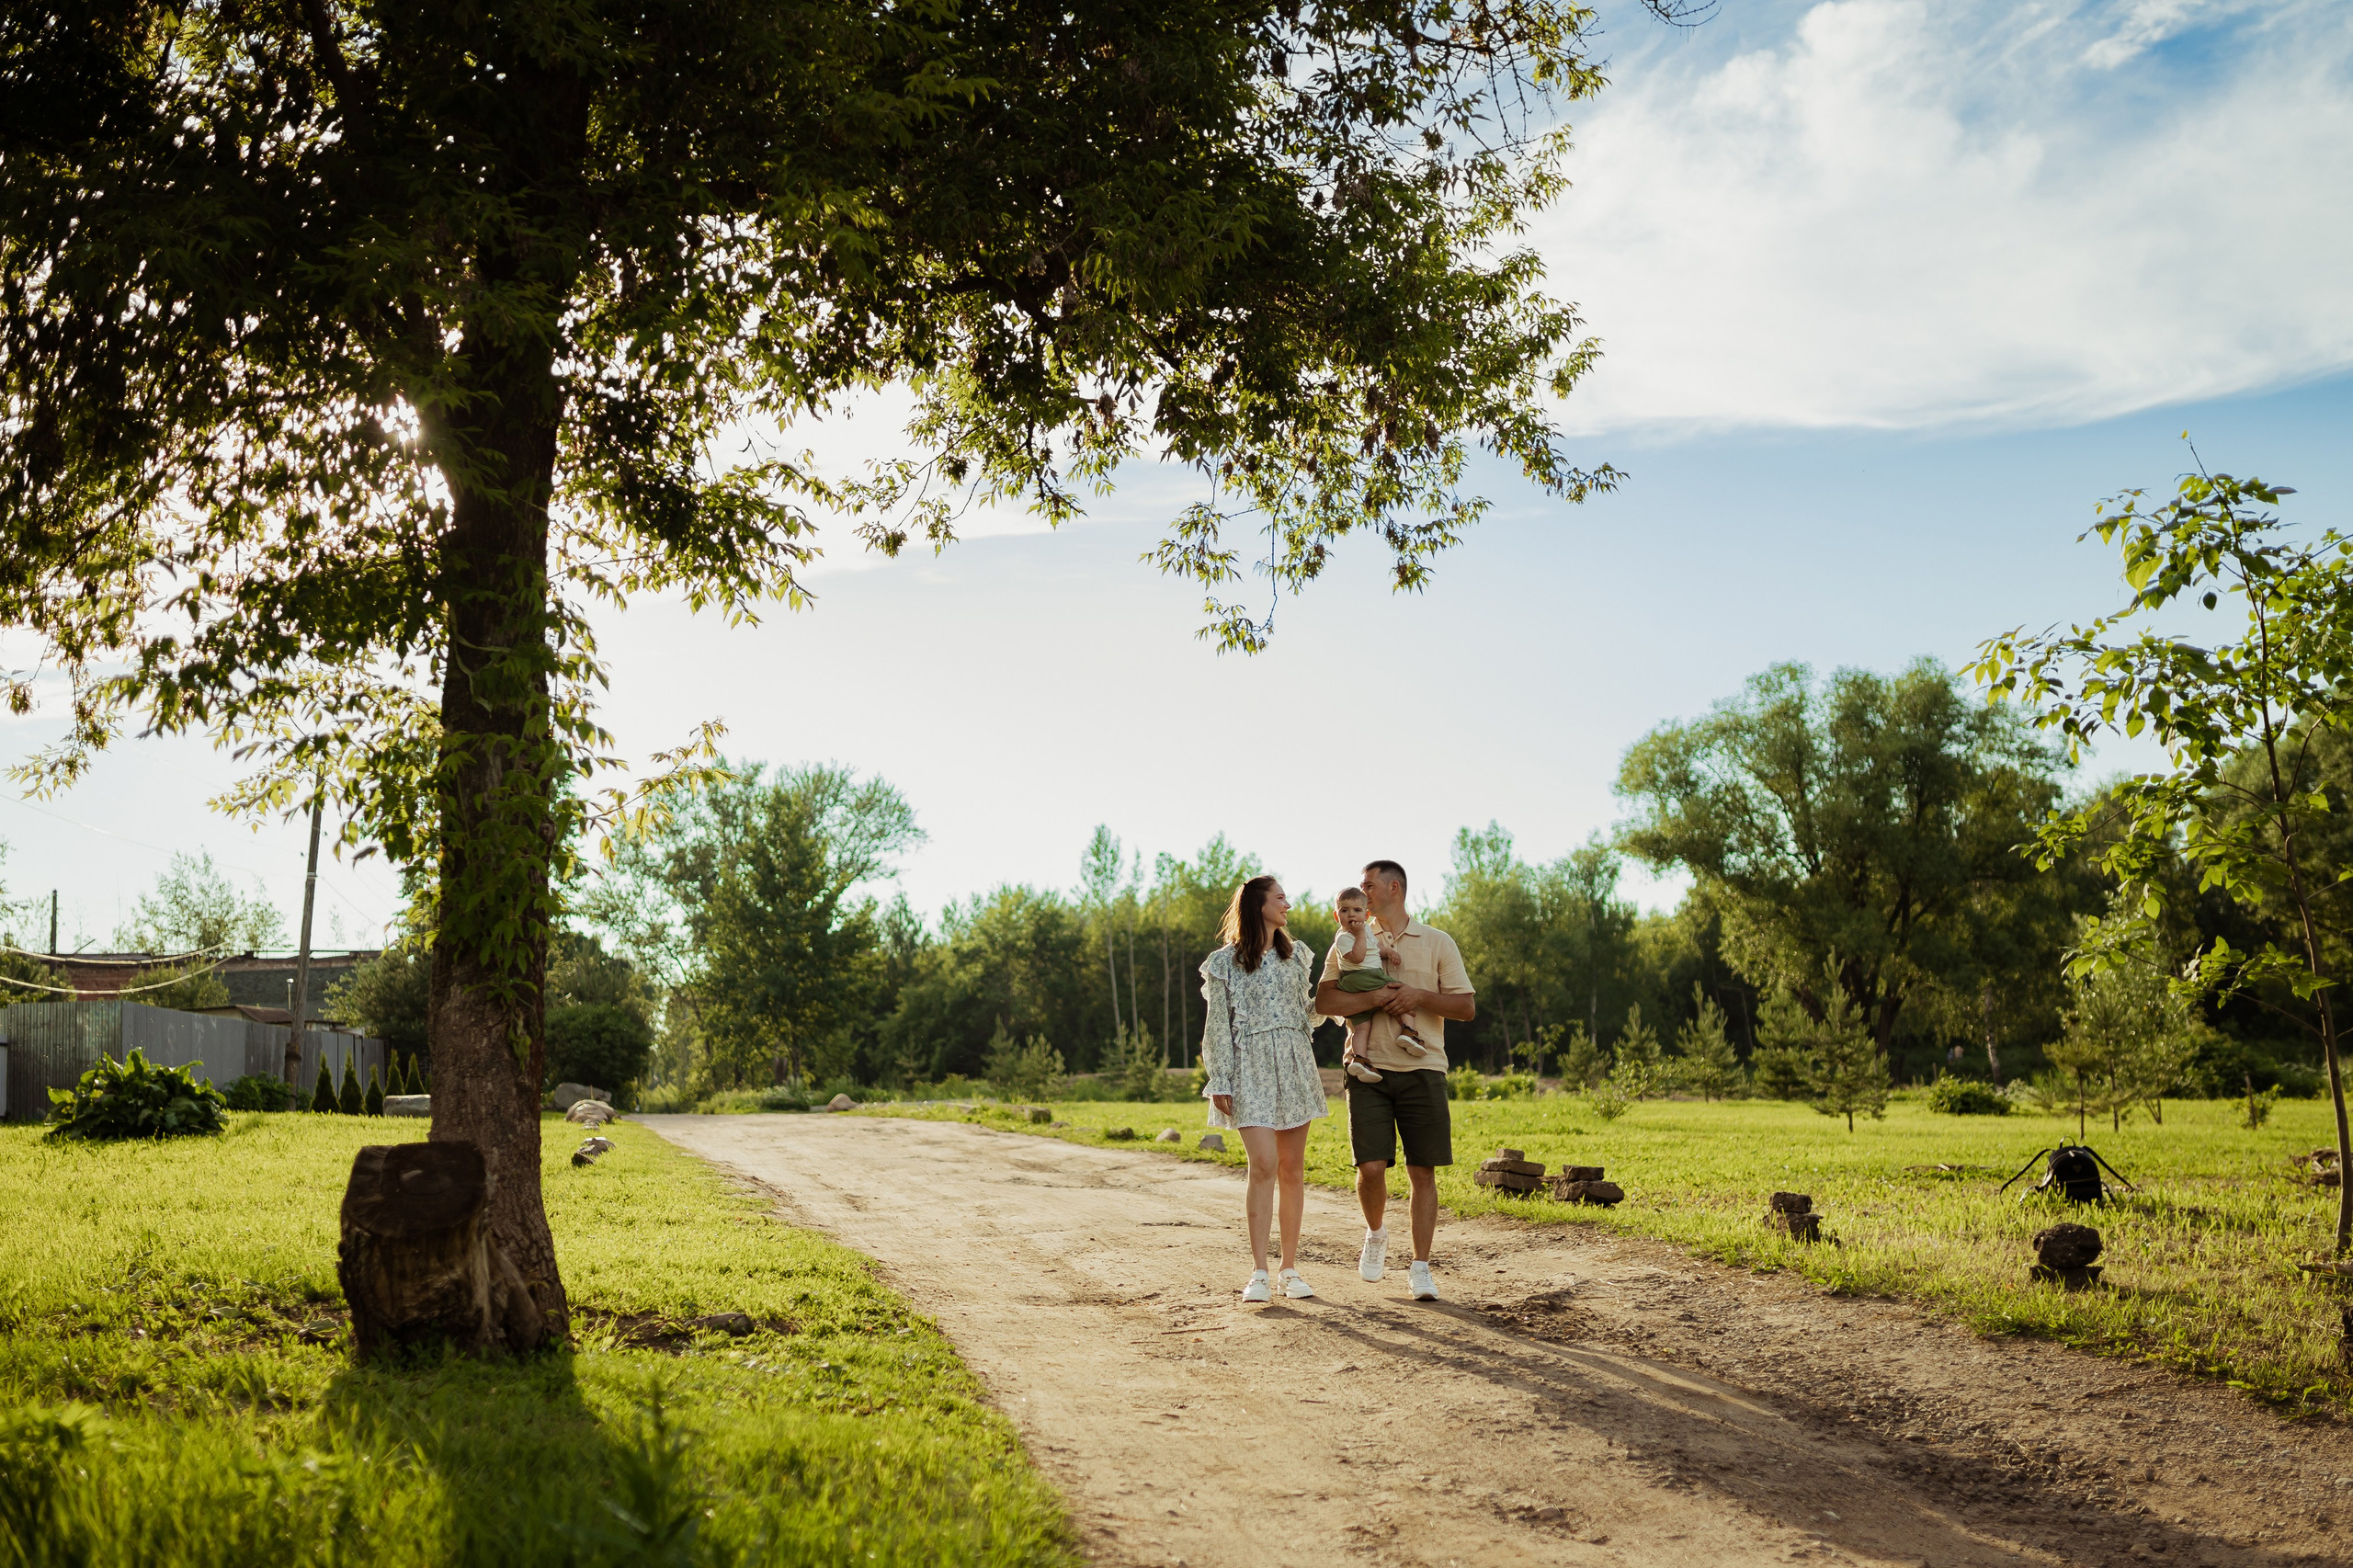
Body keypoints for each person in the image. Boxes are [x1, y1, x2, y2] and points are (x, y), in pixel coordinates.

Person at [1315, 859, 1474, 1301]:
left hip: (1424, 1069)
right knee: (1370, 1167)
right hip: (1367, 1069)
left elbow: (1465, 1008)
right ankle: (1376, 1233)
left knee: (1422, 1171)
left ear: (1394, 888)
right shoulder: (1349, 939)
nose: (1361, 894)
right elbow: (1326, 999)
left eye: (1368, 886)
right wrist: (1376, 997)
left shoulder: (1438, 942)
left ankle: (1421, 1266)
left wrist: (1417, 996)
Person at [1200, 873, 1329, 1303]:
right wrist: (1220, 1077)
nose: (1287, 905)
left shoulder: (1297, 956)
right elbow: (1217, 1025)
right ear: (1259, 905)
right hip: (1249, 1067)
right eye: (1280, 898)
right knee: (1264, 1164)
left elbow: (1307, 1012)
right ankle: (1258, 1271)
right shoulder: (1226, 961)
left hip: (1294, 1063)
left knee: (1293, 1169)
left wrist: (1339, 1001)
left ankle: (1289, 1271)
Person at [1328, 887, 1427, 1083]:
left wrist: (1389, 952)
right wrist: (1360, 936)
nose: (1351, 915)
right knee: (1401, 993)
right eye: (1344, 910)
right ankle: (1409, 1031)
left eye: (1356, 911)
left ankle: (1361, 1059)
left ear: (1366, 915)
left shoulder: (1365, 930)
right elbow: (1358, 957)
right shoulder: (1344, 937)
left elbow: (1375, 948)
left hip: (1355, 983)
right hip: (1362, 976)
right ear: (1336, 915)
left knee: (1362, 1027)